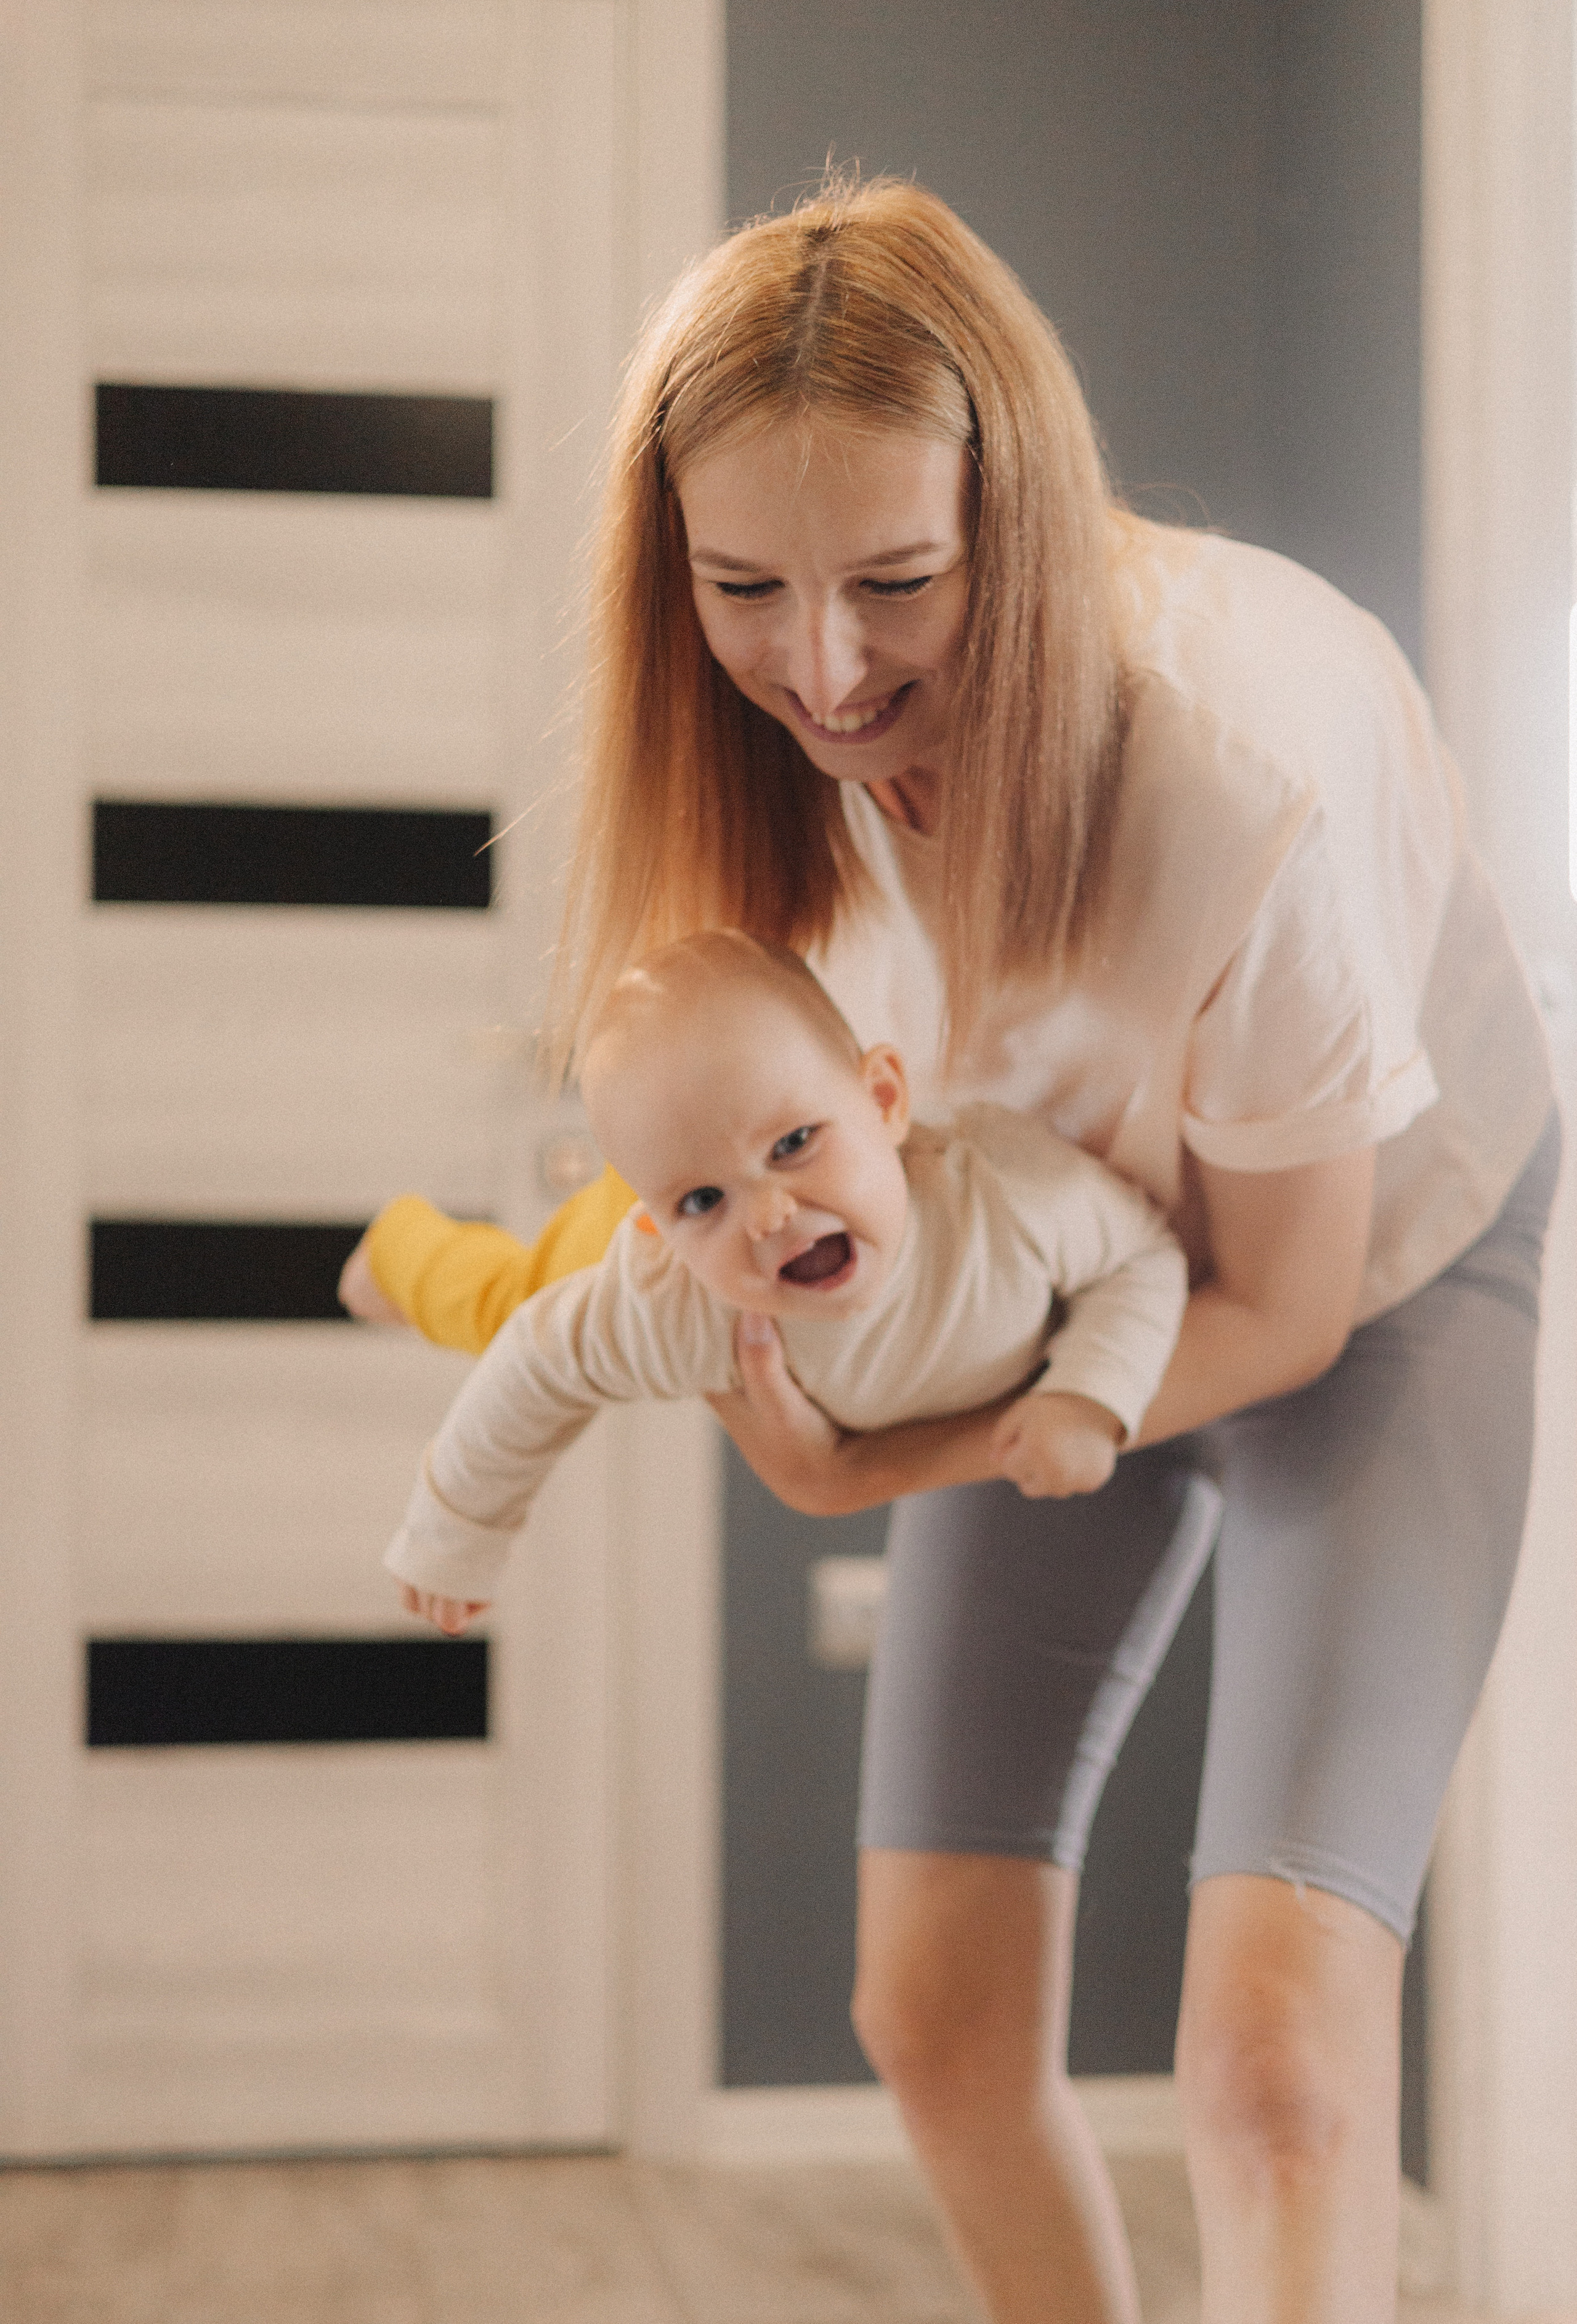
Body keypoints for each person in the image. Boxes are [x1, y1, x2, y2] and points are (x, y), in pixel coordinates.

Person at [341, 178, 1558, 2322]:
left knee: (1275, 2055)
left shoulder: (1234, 763)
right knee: (932, 2009)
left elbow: (1269, 1303)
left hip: (1367, 1280)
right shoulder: (750, 784)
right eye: (746, 586)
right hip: (1031, 1264)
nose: (822, 669)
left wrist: (861, 1466)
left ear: (1017, 515)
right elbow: (714, 1219)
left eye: (897, 580)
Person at [371, 930, 1187, 1631]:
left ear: (884, 1099)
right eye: (709, 1201)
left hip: (692, 1173)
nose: (768, 1215)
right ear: (660, 1224)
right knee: (506, 1303)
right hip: (632, 1232)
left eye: (796, 1143)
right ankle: (394, 1251)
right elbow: (536, 1364)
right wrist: (454, 1533)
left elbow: (1143, 1257)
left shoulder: (1008, 1198)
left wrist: (1086, 1400)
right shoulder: (679, 1306)